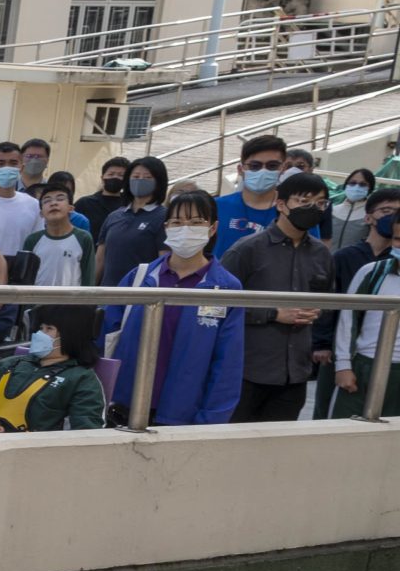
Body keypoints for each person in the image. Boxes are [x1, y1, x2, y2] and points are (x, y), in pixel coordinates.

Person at [105, 187, 245, 426]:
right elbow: (107, 336)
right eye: (177, 222)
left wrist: (210, 421)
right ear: (166, 227)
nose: (185, 228)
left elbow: (227, 364)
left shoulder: (226, 287)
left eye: (196, 222)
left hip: (182, 416)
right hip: (124, 407)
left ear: (212, 228)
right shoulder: (139, 277)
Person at [222, 169, 334, 423]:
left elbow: (328, 301)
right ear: (281, 204)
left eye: (320, 203)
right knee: (234, 439)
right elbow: (216, 305)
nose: (313, 208)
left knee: (279, 442)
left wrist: (317, 311)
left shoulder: (322, 254)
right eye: (304, 201)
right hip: (247, 371)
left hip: (295, 374)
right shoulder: (247, 249)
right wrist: (272, 314)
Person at [0, 305, 107, 432]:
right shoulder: (7, 365)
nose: (40, 334)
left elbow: (85, 432)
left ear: (71, 335)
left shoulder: (82, 379)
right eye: (40, 328)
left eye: (49, 329)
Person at [327, 238, 400, 419]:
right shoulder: (372, 272)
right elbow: (347, 318)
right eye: (397, 238)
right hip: (363, 367)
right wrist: (343, 365)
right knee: (343, 429)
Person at [97, 154, 171, 287]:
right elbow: (99, 260)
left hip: (140, 294)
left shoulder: (164, 216)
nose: (140, 180)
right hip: (108, 293)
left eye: (147, 177)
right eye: (135, 176)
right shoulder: (114, 216)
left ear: (159, 182)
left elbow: (164, 261)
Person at [214, 134, 288, 257]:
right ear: (240, 169)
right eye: (255, 166)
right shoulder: (215, 207)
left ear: (283, 168)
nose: (263, 171)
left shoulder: (294, 213)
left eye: (272, 166)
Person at [0, 138, 42, 261]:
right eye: (0, 163)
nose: (7, 168)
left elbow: (38, 244)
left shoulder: (33, 205)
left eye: (13, 163)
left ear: (21, 167)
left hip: (21, 270)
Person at [19, 185, 96, 287]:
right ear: (41, 213)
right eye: (47, 201)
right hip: (38, 297)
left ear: (71, 208)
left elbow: (88, 278)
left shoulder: (83, 238)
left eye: (60, 199)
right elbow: (25, 280)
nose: (53, 203)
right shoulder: (32, 240)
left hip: (71, 297)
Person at [329, 168, 380, 252]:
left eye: (363, 184)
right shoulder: (333, 210)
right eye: (352, 183)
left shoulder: (372, 214)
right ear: (346, 185)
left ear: (370, 188)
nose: (356, 187)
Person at [76, 156, 133, 231]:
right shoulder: (85, 203)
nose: (115, 177)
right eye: (111, 174)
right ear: (102, 178)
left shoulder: (131, 205)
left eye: (121, 175)